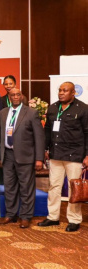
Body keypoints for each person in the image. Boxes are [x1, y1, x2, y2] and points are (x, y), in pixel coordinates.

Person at [38, 82, 88, 232]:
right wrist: (45, 149)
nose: (61, 93)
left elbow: (87, 133)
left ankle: (74, 219)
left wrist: (87, 155)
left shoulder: (83, 108)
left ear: (73, 93)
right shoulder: (53, 107)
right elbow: (47, 130)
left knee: (74, 187)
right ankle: (53, 217)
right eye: (60, 90)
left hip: (75, 154)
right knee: (54, 186)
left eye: (65, 91)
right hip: (56, 153)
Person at [0, 88, 45, 229]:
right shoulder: (2, 113)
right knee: (9, 187)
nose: (16, 97)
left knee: (26, 188)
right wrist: (0, 157)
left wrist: (39, 158)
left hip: (26, 156)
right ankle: (10, 214)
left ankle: (25, 216)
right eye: (13, 95)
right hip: (7, 155)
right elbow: (0, 136)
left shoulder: (31, 113)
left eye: (18, 94)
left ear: (22, 96)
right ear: (9, 97)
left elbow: (39, 137)